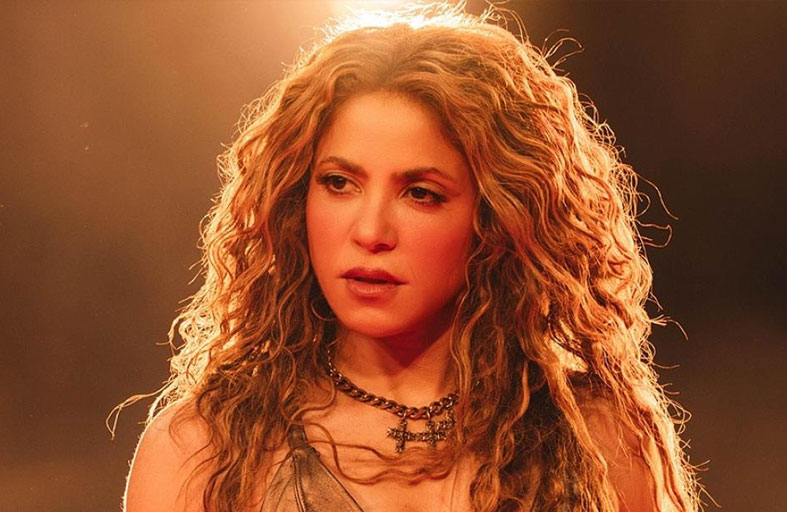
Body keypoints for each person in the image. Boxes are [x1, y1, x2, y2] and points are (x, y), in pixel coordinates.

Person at [119, 3, 703, 511]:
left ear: (498, 216)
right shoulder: (203, 449)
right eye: (339, 183)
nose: (371, 231)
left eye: (420, 193)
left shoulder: (598, 439)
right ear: (297, 200)